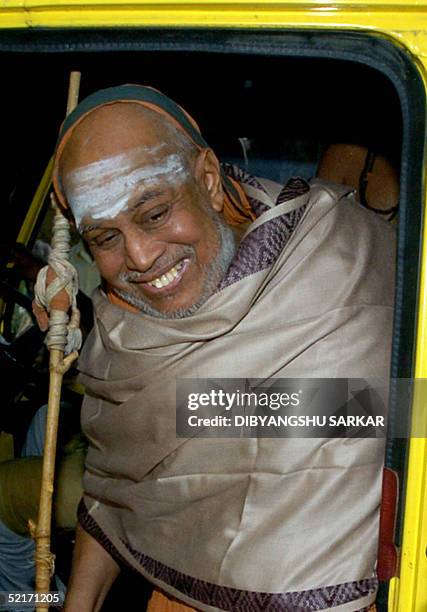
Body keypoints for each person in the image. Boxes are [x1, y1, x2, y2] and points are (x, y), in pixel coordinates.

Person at [39, 85, 394, 611]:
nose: (140, 258)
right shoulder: (120, 325)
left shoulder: (338, 260)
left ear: (207, 179)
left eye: (155, 213)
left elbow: (399, 408)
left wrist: (206, 408)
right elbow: (120, 484)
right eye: (105, 239)